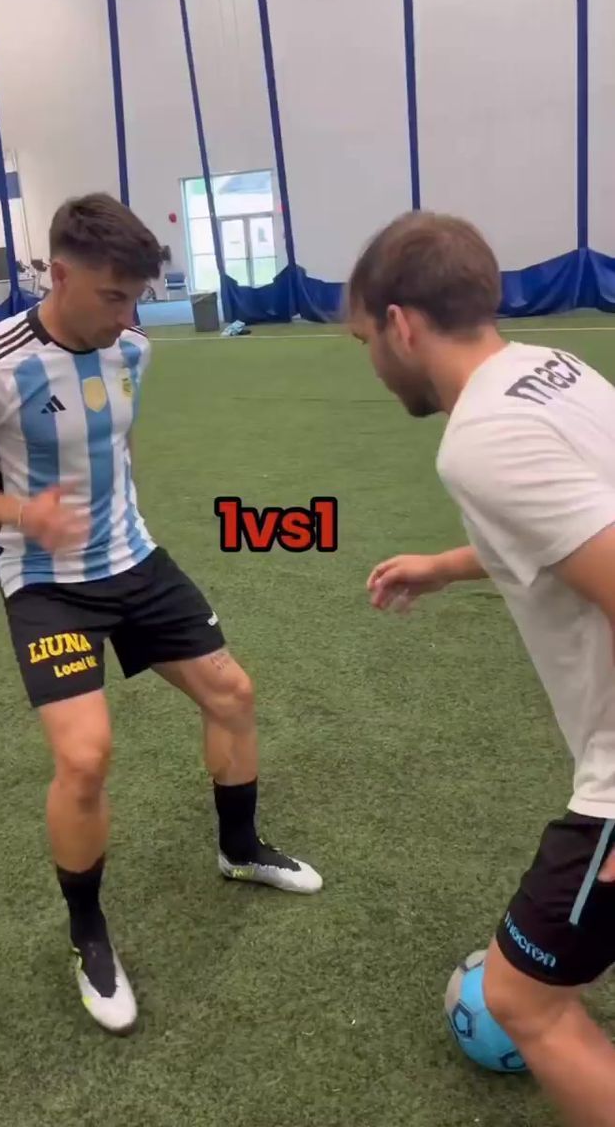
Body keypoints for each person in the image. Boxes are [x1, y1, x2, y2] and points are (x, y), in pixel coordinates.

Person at [0, 193, 322, 1035]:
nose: (130, 315)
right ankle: (87, 934)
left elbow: (114, 445)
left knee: (233, 693)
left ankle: (239, 848)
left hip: (135, 562)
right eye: (113, 296)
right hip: (47, 583)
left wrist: (123, 519)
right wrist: (17, 511)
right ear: (61, 274)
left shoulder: (135, 350)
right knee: (86, 756)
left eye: (139, 297)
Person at [348, 210, 615, 1127]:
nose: (371, 363)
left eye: (362, 341)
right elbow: (577, 519)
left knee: (524, 1000)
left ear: (401, 325)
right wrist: (447, 562)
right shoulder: (553, 370)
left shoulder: (478, 438)